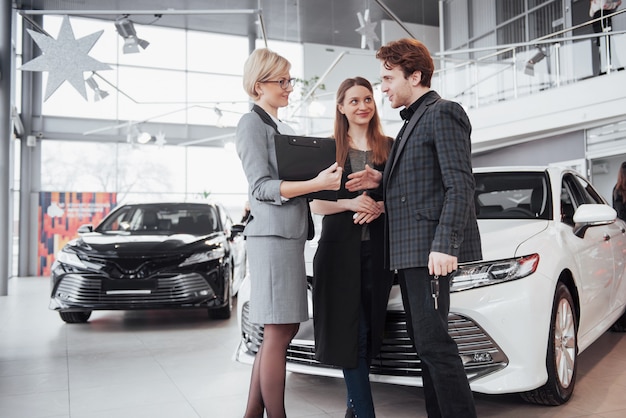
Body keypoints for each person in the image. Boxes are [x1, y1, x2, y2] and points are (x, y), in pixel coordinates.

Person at [347, 38, 482, 418]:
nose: (383, 87)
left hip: (429, 253)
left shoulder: (443, 112)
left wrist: (445, 245)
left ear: (416, 75)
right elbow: (422, 190)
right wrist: (382, 179)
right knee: (425, 346)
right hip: (409, 253)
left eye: (388, 78)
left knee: (434, 345)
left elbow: (460, 185)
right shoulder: (411, 122)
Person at [235, 48, 342, 418]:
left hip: (287, 237)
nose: (289, 87)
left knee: (278, 331)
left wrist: (321, 183)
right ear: (258, 84)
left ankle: (252, 414)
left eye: (289, 80)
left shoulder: (276, 128)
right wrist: (313, 181)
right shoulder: (251, 125)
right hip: (272, 239)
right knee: (280, 330)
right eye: (282, 81)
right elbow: (261, 187)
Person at [310, 77, 394, 418]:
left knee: (370, 335)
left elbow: (402, 196)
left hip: (378, 253)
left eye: (368, 99)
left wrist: (381, 206)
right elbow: (314, 203)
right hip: (337, 255)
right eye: (354, 100)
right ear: (341, 107)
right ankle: (366, 414)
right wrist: (350, 204)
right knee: (352, 336)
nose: (363, 106)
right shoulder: (327, 149)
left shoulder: (389, 147)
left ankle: (354, 409)